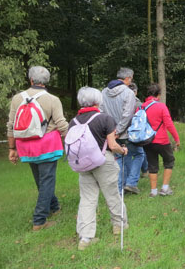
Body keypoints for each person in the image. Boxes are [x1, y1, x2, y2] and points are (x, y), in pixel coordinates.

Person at [6, 66, 69, 231]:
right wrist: (70, 138)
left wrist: (12, 148)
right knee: (47, 180)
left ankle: (54, 207)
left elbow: (11, 125)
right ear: (47, 81)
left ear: (31, 80)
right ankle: (39, 220)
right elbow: (61, 123)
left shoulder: (17, 98)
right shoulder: (52, 99)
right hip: (47, 145)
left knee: (41, 180)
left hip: (25, 146)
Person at [70, 87, 128, 250]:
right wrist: (122, 150)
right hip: (104, 162)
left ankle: (86, 238)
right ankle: (119, 225)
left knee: (87, 199)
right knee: (112, 194)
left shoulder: (73, 121)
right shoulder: (105, 119)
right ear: (98, 100)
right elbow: (112, 144)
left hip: (83, 164)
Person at [101, 67, 143, 194]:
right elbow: (127, 115)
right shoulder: (128, 93)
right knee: (138, 154)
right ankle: (129, 183)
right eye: (131, 79)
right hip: (124, 133)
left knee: (119, 158)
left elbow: (101, 111)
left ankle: (119, 189)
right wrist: (118, 131)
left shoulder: (104, 92)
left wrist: (110, 131)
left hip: (109, 133)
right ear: (127, 79)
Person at [141, 84, 180, 197]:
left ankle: (153, 191)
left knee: (152, 165)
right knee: (169, 161)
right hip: (162, 140)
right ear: (158, 94)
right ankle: (165, 188)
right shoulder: (161, 106)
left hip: (147, 141)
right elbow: (169, 124)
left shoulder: (141, 107)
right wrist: (176, 138)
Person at [128, 82, 148, 178]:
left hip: (123, 132)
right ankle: (144, 170)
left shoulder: (121, 101)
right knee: (140, 152)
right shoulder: (139, 104)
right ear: (135, 92)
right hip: (136, 132)